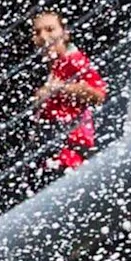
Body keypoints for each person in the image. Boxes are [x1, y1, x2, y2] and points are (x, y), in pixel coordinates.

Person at [30, 9, 104, 169]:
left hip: (70, 152)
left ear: (65, 34)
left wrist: (61, 88)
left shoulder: (74, 61)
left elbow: (99, 94)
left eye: (50, 29)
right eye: (37, 32)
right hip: (54, 149)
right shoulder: (47, 69)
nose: (43, 36)